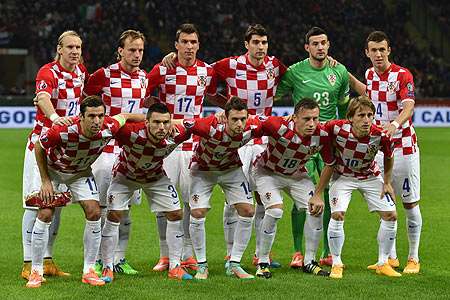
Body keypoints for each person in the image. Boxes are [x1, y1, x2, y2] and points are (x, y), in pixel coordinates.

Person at [162, 23, 286, 268]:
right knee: (234, 200)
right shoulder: (229, 65)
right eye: (256, 42)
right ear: (246, 45)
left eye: (264, 42)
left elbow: (296, 76)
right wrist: (173, 58)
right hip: (238, 136)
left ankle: (261, 253)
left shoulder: (275, 65)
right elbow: (200, 72)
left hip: (262, 137)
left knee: (261, 197)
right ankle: (231, 253)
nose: (260, 47)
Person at [25, 96, 145, 288]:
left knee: (95, 212)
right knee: (46, 213)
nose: (97, 121)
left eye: (100, 116)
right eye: (91, 116)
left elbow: (127, 116)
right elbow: (39, 146)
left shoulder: (109, 126)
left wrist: (151, 121)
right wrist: (45, 180)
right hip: (54, 172)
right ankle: (36, 271)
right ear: (81, 116)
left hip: (80, 173)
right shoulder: (63, 130)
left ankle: (88, 270)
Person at [146, 23, 224, 272]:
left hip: (194, 143)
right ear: (176, 45)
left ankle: (188, 254)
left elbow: (212, 95)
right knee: (164, 200)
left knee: (192, 201)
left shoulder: (206, 71)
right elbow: (143, 95)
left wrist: (231, 109)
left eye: (193, 42)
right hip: (166, 143)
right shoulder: (161, 69)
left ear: (198, 45)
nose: (189, 46)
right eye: (185, 42)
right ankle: (165, 255)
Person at [275, 26, 350, 268]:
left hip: (330, 140)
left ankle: (328, 250)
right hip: (303, 142)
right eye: (315, 44)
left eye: (324, 43)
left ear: (329, 45)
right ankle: (298, 251)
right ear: (307, 47)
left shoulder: (340, 72)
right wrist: (289, 117)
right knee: (301, 195)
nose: (320, 47)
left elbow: (343, 107)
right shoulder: (295, 71)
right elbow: (271, 94)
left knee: (329, 194)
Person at [348, 31, 421, 274]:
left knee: (410, 204)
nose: (378, 54)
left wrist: (395, 125)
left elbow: (409, 106)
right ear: (367, 53)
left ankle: (414, 257)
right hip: (380, 151)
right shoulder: (369, 74)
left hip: (404, 148)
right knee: (386, 205)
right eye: (373, 50)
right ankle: (390, 258)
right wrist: (346, 75)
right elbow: (368, 94)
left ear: (389, 50)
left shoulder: (402, 75)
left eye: (382, 49)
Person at [21, 30, 89, 280]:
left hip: (66, 148)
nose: (75, 51)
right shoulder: (47, 72)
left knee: (57, 205)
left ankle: (47, 260)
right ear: (59, 49)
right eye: (70, 47)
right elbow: (42, 97)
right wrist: (54, 118)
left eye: (78, 48)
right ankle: (29, 263)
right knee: (35, 203)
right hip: (42, 143)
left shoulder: (81, 72)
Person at [100, 103, 194, 282]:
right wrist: (126, 115)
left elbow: (199, 124)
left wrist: (221, 116)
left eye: (166, 123)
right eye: (156, 122)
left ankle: (175, 266)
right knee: (114, 215)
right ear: (146, 123)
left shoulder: (177, 134)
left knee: (175, 214)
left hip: (155, 177)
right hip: (124, 176)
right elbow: (108, 123)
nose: (162, 127)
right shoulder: (130, 132)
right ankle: (107, 267)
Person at [310, 95, 400, 279]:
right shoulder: (336, 127)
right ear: (350, 117)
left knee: (391, 215)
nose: (366, 120)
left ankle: (383, 262)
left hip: (370, 176)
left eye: (369, 115)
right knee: (337, 214)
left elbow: (389, 156)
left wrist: (387, 182)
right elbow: (314, 125)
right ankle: (336, 263)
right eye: (361, 115)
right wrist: (287, 118)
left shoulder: (380, 135)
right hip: (343, 177)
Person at [83, 29, 148, 275]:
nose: (137, 54)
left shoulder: (144, 77)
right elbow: (84, 103)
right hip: (105, 150)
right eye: (132, 49)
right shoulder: (104, 75)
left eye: (140, 50)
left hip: (132, 151)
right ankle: (99, 259)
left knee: (125, 210)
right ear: (120, 51)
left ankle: (120, 260)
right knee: (100, 209)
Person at [178, 97, 264, 280]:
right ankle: (202, 265)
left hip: (230, 169)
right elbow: (180, 123)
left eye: (243, 119)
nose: (240, 124)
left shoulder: (253, 126)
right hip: (203, 170)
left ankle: (235, 264)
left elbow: (275, 123)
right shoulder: (208, 125)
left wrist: (291, 118)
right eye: (234, 119)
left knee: (248, 210)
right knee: (198, 212)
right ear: (225, 117)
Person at [251, 98, 333, 278]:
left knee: (316, 208)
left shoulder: (323, 134)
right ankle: (263, 261)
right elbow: (250, 122)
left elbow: (329, 163)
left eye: (315, 118)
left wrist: (318, 194)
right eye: (306, 119)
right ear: (294, 118)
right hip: (267, 171)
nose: (312, 123)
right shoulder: (277, 125)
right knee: (275, 211)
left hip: (296, 174)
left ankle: (310, 262)